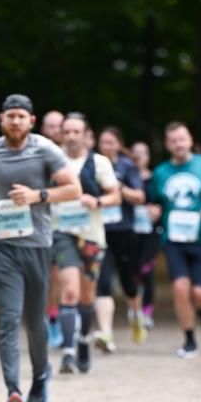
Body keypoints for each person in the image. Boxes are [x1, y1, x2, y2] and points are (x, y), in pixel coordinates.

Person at [0, 94, 81, 402]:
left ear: (31, 121)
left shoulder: (45, 149)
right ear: (1, 119)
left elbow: (73, 189)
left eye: (22, 116)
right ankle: (12, 392)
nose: (16, 121)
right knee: (8, 318)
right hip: (3, 247)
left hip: (37, 245)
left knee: (34, 323)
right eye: (10, 116)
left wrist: (38, 196)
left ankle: (39, 376)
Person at [148, 121, 201, 358]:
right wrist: (153, 212)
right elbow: (154, 203)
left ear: (190, 140)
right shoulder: (160, 172)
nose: (178, 144)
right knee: (180, 288)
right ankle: (189, 340)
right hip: (173, 239)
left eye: (182, 139)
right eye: (173, 141)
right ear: (167, 145)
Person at [51, 113, 120, 374]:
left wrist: (98, 202)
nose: (70, 136)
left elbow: (115, 195)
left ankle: (82, 342)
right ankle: (68, 352)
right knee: (69, 289)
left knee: (87, 295)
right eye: (66, 132)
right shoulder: (53, 160)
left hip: (91, 235)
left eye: (75, 132)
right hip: (62, 232)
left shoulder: (99, 162)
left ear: (85, 134)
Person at [93, 126, 147, 352]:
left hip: (124, 230)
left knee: (128, 282)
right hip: (99, 231)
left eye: (111, 142)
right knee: (102, 281)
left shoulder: (127, 166)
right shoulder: (92, 164)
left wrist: (118, 188)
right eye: (103, 142)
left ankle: (136, 313)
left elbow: (140, 197)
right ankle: (106, 333)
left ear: (118, 144)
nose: (107, 147)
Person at [40, 109, 66, 350]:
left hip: (67, 226)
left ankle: (59, 318)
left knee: (61, 276)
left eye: (60, 126)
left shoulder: (71, 158)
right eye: (51, 126)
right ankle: (48, 318)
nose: (55, 131)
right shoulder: (34, 154)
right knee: (45, 277)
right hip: (39, 225)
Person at [130, 141, 160, 329]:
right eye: (136, 153)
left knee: (147, 270)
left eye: (144, 152)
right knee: (132, 270)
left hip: (151, 231)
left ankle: (147, 311)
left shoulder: (156, 178)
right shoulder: (126, 176)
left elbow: (162, 200)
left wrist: (157, 210)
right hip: (131, 231)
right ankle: (135, 308)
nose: (140, 156)